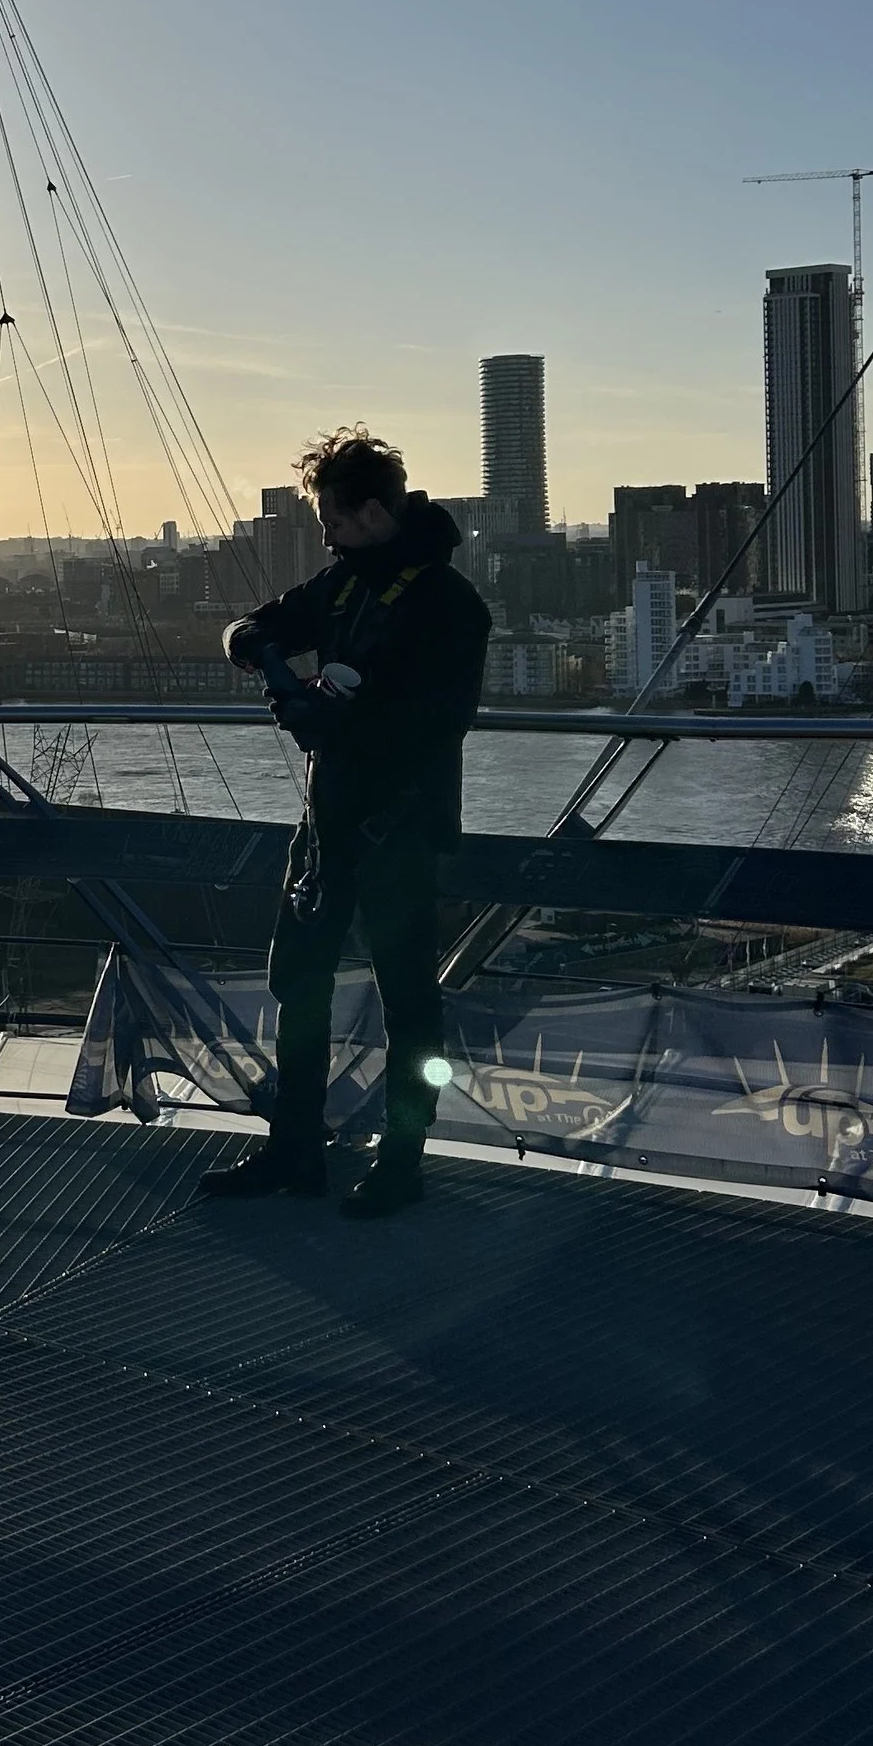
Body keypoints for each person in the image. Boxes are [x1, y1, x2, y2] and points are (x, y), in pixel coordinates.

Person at [202, 426, 490, 1219]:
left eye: (329, 514)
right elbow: (248, 628)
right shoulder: (343, 585)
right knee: (300, 983)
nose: (322, 530)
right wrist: (267, 660)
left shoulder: (448, 604)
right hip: (328, 826)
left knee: (408, 1001)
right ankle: (296, 1147)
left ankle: (402, 1159)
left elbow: (437, 725)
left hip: (397, 830)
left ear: (368, 511)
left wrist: (323, 722)